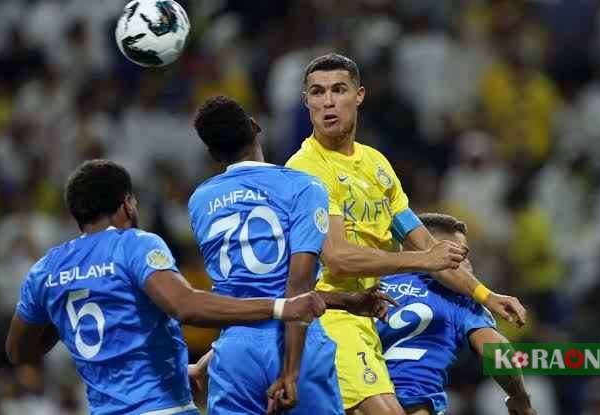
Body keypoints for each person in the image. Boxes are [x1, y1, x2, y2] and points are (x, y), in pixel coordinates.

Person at [284, 53, 527, 415]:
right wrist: (530, 393)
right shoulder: (306, 169)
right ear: (306, 101)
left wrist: (486, 294)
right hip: (327, 316)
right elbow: (336, 256)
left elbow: (430, 249)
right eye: (317, 93)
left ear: (359, 95)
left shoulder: (376, 165)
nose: (328, 101)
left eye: (338, 90)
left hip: (366, 320)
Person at [5, 159, 333, 415]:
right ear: (127, 205)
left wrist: (64, 318)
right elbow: (186, 306)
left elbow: (18, 351)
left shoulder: (46, 270)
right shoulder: (134, 245)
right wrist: (279, 307)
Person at [187, 96, 398, 415]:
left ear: (212, 153)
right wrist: (290, 372)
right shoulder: (304, 186)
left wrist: (344, 300)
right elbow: (296, 284)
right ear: (255, 127)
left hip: (234, 352)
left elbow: (251, 290)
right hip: (296, 344)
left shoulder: (200, 201)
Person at [377, 213, 537, 415]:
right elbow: (498, 352)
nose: (468, 264)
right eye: (461, 254)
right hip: (413, 405)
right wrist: (519, 398)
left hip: (353, 400)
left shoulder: (367, 288)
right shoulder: (458, 298)